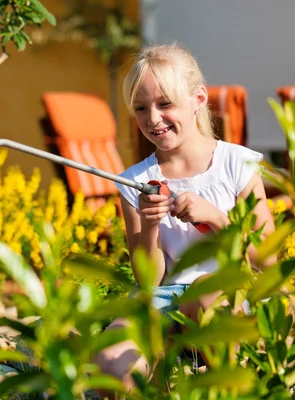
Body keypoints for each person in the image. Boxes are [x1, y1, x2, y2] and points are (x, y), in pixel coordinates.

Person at [93, 42, 276, 392]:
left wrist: (219, 219)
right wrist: (150, 226)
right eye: (141, 108)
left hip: (229, 296)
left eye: (165, 104)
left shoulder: (235, 165)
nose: (153, 118)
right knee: (111, 365)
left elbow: (267, 257)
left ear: (199, 99)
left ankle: (229, 386)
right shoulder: (135, 181)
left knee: (204, 295)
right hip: (164, 298)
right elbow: (148, 279)